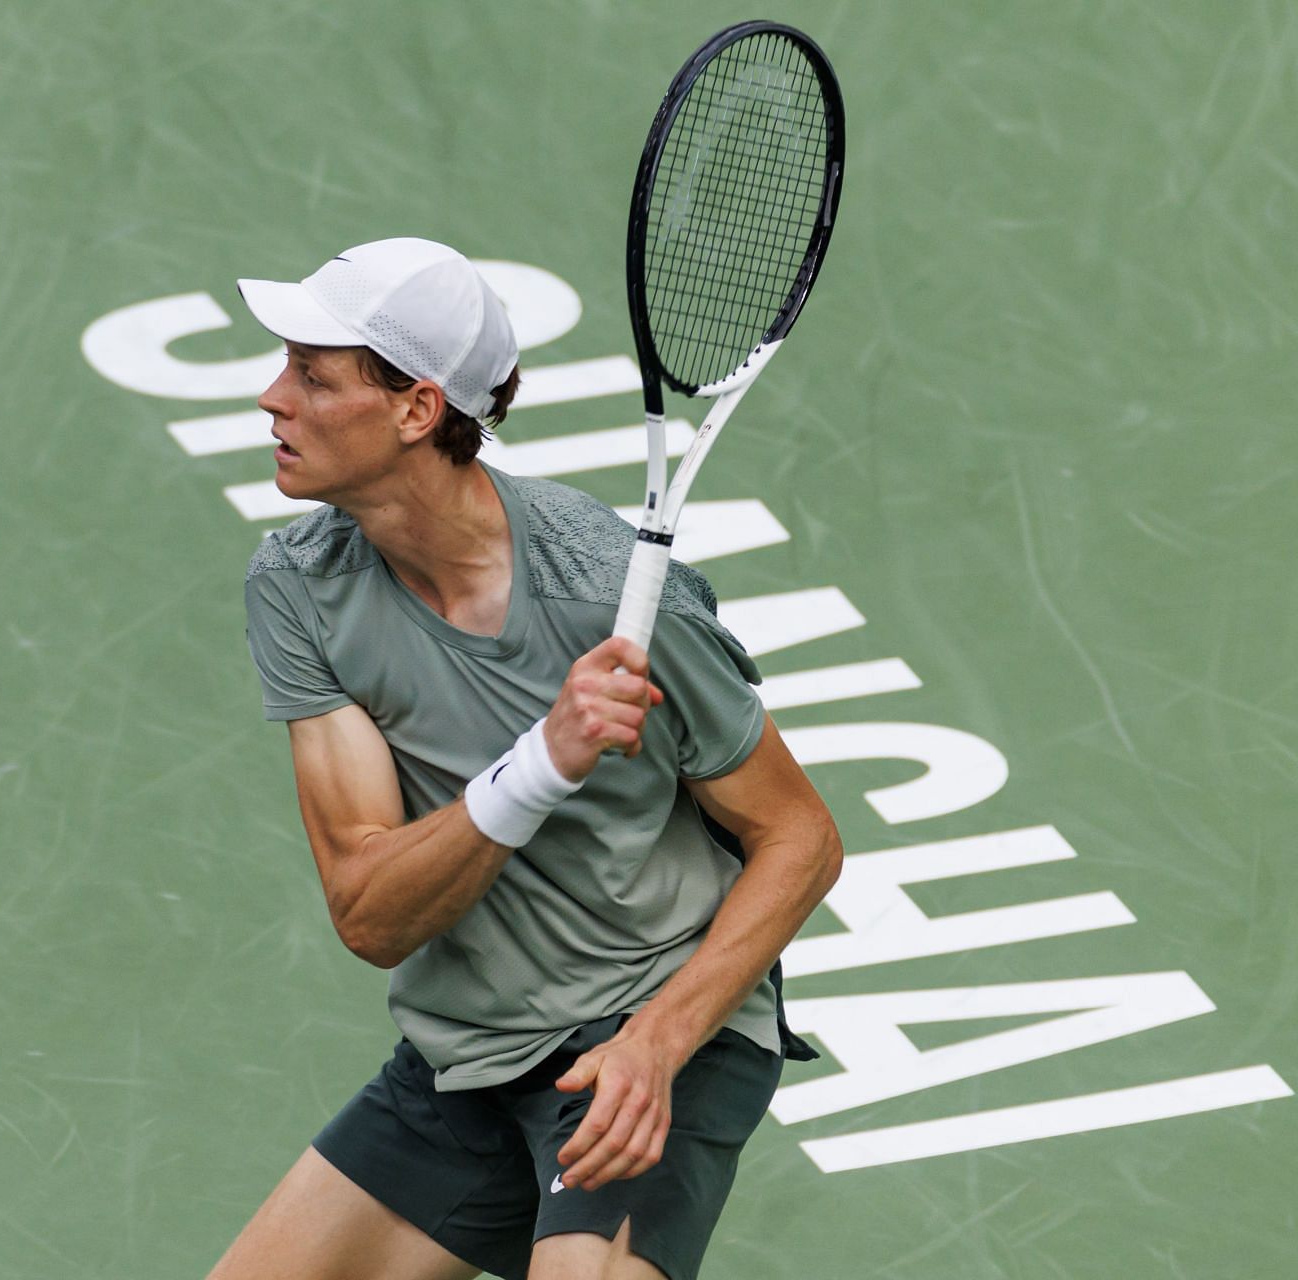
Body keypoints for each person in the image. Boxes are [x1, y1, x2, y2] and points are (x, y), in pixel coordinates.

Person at [209, 238, 842, 1280]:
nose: (274, 397)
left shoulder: (608, 593)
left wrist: (660, 1042)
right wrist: (541, 760)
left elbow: (800, 836)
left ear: (417, 409)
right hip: (474, 1043)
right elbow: (371, 909)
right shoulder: (299, 583)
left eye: (314, 376)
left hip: (647, 1025)